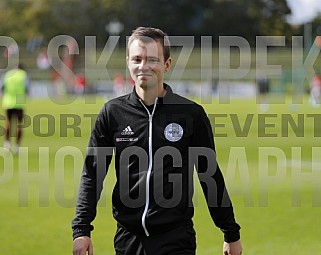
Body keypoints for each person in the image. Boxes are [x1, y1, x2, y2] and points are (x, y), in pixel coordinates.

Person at [72, 27, 242, 255]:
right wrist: (81, 230)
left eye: (152, 59)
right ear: (128, 62)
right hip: (128, 240)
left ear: (167, 64)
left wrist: (230, 233)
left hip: (176, 238)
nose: (144, 66)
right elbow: (92, 174)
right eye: (137, 59)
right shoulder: (112, 113)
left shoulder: (190, 114)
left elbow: (209, 175)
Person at [1, 63, 29, 154]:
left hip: (8, 101)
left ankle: (7, 145)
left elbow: (2, 88)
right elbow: (27, 88)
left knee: (8, 123)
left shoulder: (8, 74)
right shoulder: (23, 75)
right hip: (19, 101)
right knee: (19, 124)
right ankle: (16, 146)